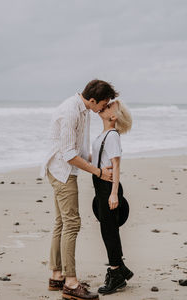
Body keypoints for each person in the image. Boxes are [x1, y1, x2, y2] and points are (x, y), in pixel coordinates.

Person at [41, 79, 119, 300]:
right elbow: (68, 155)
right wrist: (98, 172)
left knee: (61, 222)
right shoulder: (71, 112)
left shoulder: (83, 109)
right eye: (102, 104)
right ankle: (71, 283)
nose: (103, 109)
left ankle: (57, 275)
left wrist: (97, 161)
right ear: (92, 100)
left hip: (62, 168)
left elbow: (79, 150)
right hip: (62, 171)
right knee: (72, 224)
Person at [91, 100, 133, 295]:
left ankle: (116, 274)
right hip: (101, 186)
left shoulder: (112, 135)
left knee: (109, 231)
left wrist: (114, 193)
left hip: (109, 187)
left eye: (108, 107)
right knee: (107, 229)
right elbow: (98, 159)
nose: (104, 107)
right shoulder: (103, 135)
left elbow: (116, 165)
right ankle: (121, 269)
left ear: (113, 117)